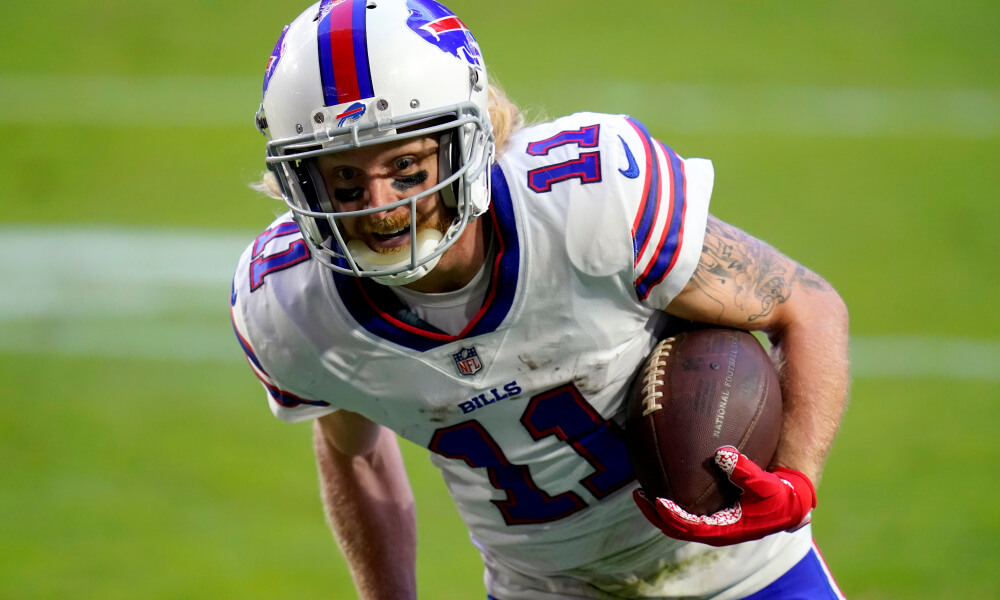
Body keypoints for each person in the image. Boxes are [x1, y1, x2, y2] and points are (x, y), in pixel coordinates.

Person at [230, 0, 850, 598]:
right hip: (539, 589)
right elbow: (354, 454)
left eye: (408, 168)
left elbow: (808, 305)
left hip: (745, 575)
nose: (381, 207)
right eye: (344, 177)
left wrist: (795, 481)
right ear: (299, 179)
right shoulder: (291, 305)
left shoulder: (590, 201)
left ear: (466, 141)